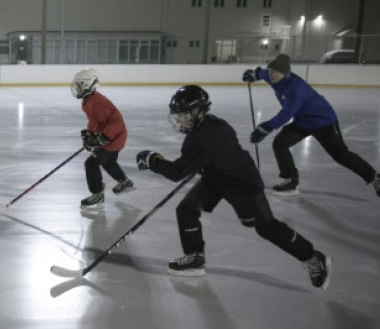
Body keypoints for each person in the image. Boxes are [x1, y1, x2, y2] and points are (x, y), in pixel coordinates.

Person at [135, 85, 331, 290]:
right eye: (177, 115)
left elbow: (177, 172)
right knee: (186, 209)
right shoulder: (212, 123)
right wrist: (207, 163)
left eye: (183, 115)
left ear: (197, 112)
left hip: (242, 183)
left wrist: (152, 160)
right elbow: (221, 147)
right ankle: (194, 258)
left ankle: (312, 257)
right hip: (217, 177)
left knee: (266, 227)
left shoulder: (201, 138)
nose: (179, 120)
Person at [243, 53, 380, 198]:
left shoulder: (296, 88)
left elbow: (287, 114)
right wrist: (255, 74)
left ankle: (375, 178)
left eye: (275, 72)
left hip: (323, 121)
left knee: (341, 155)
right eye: (271, 71)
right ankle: (291, 180)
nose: (271, 74)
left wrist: (266, 128)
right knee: (280, 143)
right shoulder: (273, 76)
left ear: (285, 73)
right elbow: (263, 73)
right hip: (303, 121)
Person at [71, 68, 134, 207]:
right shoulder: (87, 101)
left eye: (79, 86)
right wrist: (90, 135)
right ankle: (124, 181)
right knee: (108, 161)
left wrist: (103, 137)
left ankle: (97, 193)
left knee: (91, 164)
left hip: (115, 137)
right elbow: (95, 121)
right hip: (110, 136)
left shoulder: (97, 102)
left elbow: (117, 121)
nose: (76, 89)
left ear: (87, 85)